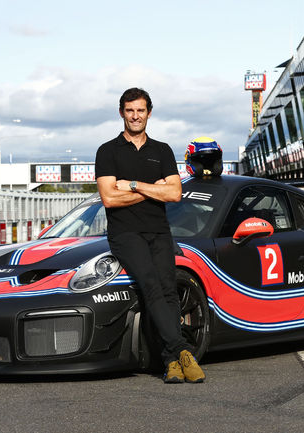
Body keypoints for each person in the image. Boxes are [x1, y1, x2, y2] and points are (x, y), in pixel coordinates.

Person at [95, 87, 205, 384]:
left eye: (140, 110)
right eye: (130, 110)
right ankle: (182, 352)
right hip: (125, 233)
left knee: (169, 290)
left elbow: (176, 193)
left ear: (149, 113)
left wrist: (132, 185)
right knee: (152, 286)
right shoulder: (107, 151)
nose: (135, 116)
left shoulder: (163, 150)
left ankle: (170, 361)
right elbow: (109, 199)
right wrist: (152, 189)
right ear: (122, 113)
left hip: (159, 231)